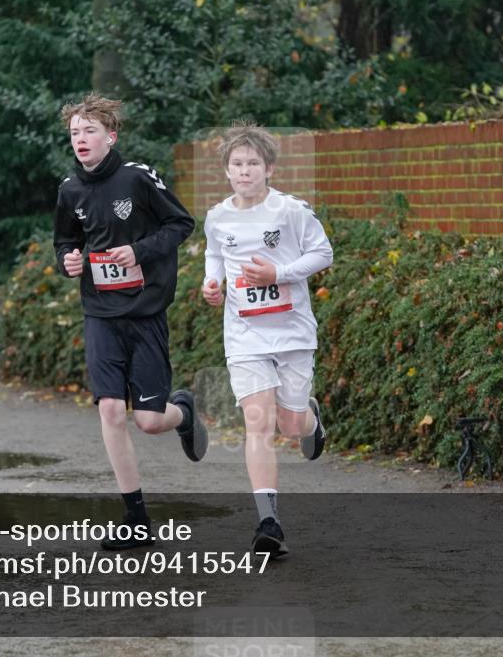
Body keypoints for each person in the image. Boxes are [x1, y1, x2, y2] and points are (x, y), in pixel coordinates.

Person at [53, 93, 207, 550]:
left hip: (144, 312)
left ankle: (182, 413)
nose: (81, 139)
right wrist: (69, 261)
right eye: (75, 132)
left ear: (110, 136)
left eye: (90, 131)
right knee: (110, 409)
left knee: (150, 421)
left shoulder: (137, 178)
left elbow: (181, 225)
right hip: (100, 312)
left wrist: (138, 251)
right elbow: (64, 240)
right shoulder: (69, 189)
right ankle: (136, 518)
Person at [202, 122, 333, 557]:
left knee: (290, 425)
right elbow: (215, 254)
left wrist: (279, 274)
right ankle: (268, 522)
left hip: (292, 331)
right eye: (236, 164)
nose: (244, 171)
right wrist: (212, 282)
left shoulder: (291, 211)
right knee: (257, 422)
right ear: (226, 170)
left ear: (269, 168)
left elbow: (323, 253)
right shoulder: (218, 216)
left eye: (252, 163)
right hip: (245, 334)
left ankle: (310, 420)